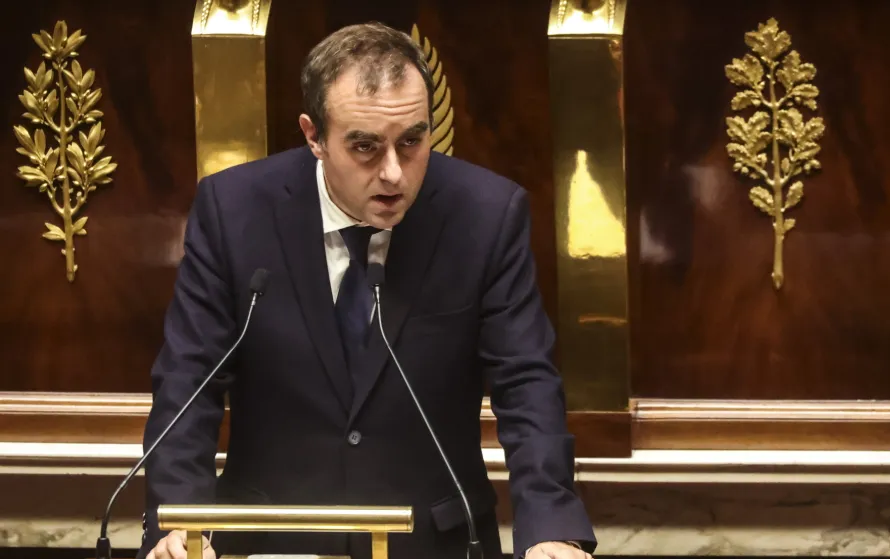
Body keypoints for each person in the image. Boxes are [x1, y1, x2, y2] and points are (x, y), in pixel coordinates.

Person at [138, 22, 596, 559]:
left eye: (412, 141)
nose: (394, 173)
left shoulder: (486, 215)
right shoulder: (235, 211)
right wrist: (178, 521)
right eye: (365, 146)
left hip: (435, 541)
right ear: (313, 136)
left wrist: (550, 526)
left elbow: (527, 382)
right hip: (270, 540)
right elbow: (188, 381)